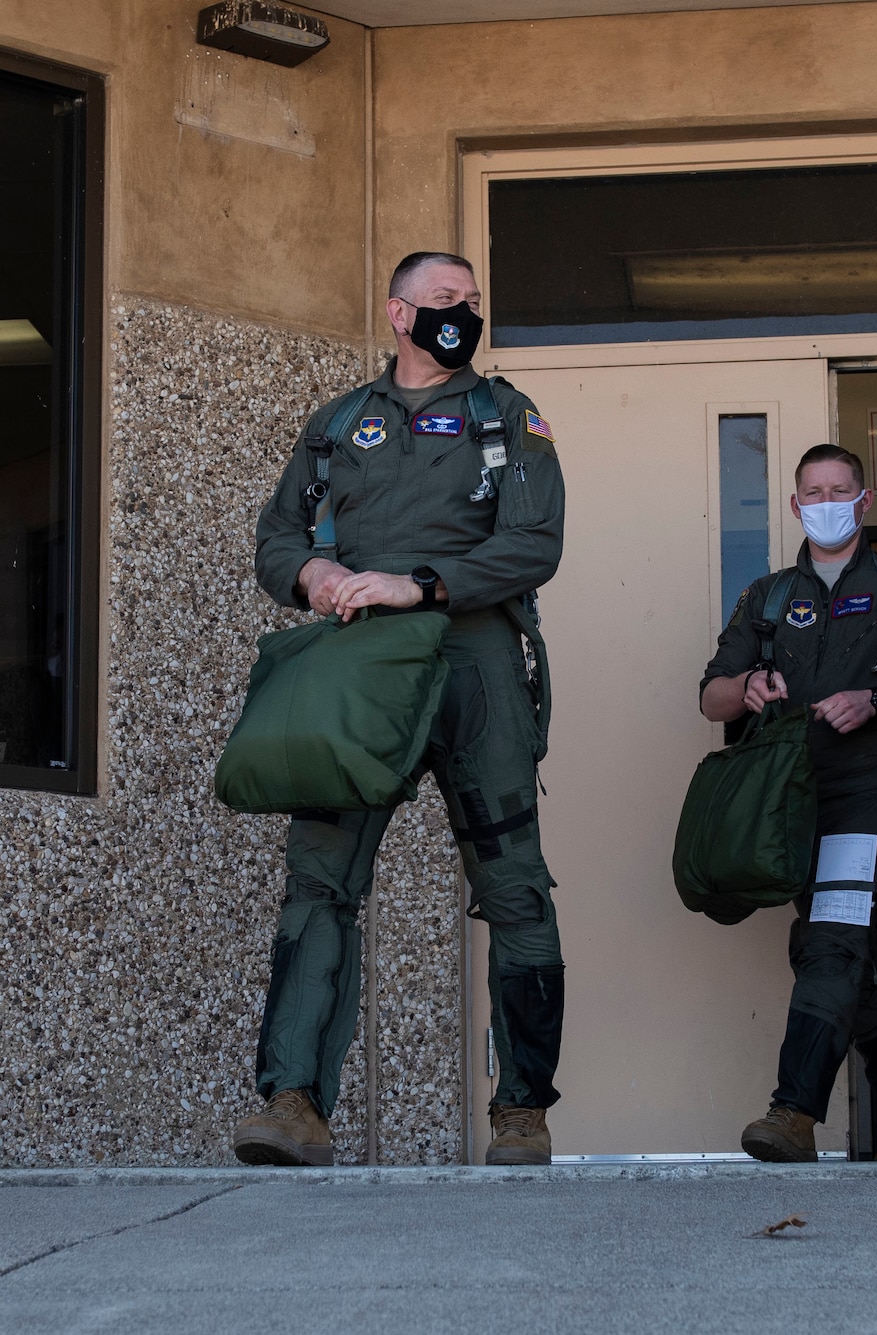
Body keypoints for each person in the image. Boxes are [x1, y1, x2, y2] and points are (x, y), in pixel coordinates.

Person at [234, 251, 568, 1168]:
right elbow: (277, 538)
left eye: (470, 301)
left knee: (514, 885)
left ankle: (522, 1113)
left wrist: (420, 584)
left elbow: (535, 545)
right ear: (397, 313)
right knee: (319, 879)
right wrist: (318, 572)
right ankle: (294, 1101)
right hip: (360, 671)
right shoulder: (342, 420)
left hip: (477, 663)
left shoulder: (508, 417)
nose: (461, 313)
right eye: (442, 300)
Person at [700, 444, 877, 1163]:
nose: (826, 500)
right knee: (853, 953)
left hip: (874, 784)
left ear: (864, 500)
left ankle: (794, 1111)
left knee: (833, 938)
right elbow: (711, 693)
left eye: (839, 489)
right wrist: (749, 685)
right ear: (795, 505)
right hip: (788, 797)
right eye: (812, 491)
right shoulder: (768, 596)